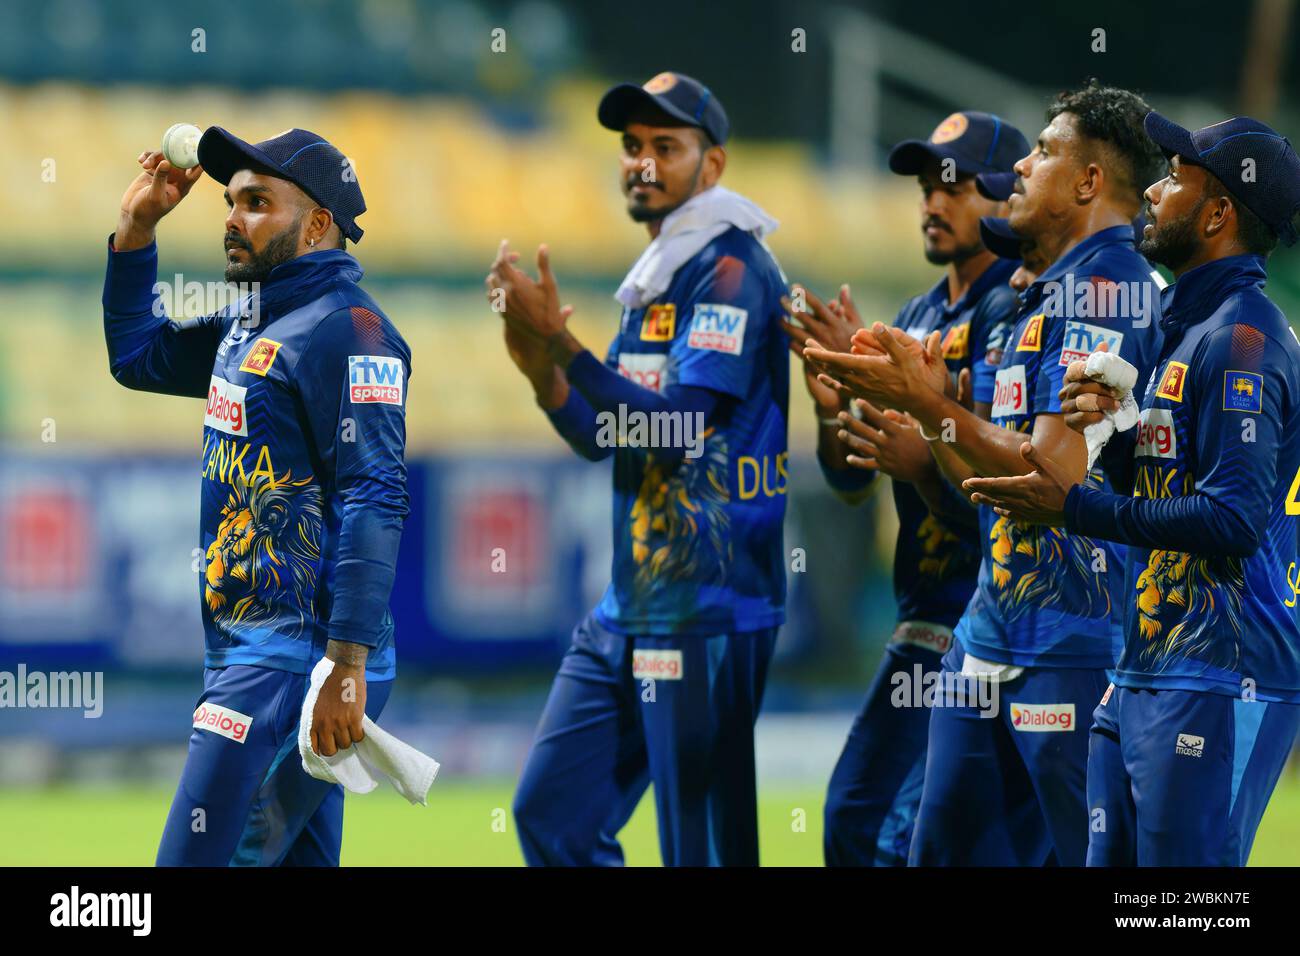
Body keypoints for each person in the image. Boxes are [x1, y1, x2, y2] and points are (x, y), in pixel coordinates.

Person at [805, 81, 1166, 865]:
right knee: (929, 847)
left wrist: (928, 409)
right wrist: (906, 412)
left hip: (1074, 635)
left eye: (1041, 154)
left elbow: (1055, 479)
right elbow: (973, 464)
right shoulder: (1047, 293)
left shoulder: (1109, 291)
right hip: (990, 626)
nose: (1020, 172)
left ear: (1088, 182)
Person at [964, 113, 1300, 865]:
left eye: (1175, 177)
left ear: (1217, 214)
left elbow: (1235, 519)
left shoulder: (1244, 338)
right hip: (1146, 666)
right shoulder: (1188, 326)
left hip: (1222, 674)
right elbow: (1163, 489)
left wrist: (1076, 506)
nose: (1152, 189)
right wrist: (1113, 438)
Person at [487, 72, 789, 866]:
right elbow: (605, 435)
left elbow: (683, 424)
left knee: (704, 849)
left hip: (712, 605)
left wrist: (570, 348)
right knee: (552, 816)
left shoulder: (731, 270)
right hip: (631, 605)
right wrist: (543, 373)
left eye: (665, 146)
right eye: (631, 147)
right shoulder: (654, 278)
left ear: (713, 165)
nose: (641, 162)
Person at [103, 128, 410, 865]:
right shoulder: (252, 321)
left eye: (258, 203)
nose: (232, 218)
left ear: (315, 224)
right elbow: (137, 357)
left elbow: (375, 494)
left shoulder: (351, 331)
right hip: (255, 654)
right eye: (232, 201)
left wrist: (346, 665)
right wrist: (137, 230)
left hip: (295, 665)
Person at [783, 112, 1027, 865]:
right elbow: (850, 485)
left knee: (909, 836)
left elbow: (1017, 488)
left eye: (952, 186)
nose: (931, 202)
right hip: (923, 616)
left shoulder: (1018, 306)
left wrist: (925, 461)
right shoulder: (919, 316)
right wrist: (836, 414)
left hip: (993, 620)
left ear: (1003, 194)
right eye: (926, 187)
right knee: (855, 822)